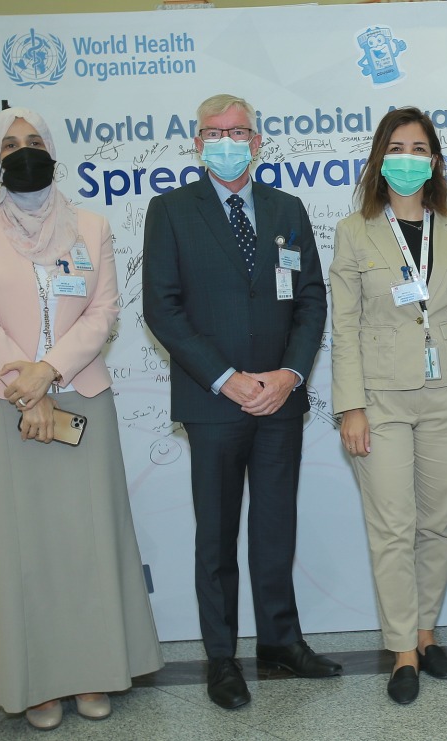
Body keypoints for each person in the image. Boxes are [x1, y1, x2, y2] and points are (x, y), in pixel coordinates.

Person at [0, 106, 162, 730]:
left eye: (34, 141)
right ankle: (33, 681)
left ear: (54, 149)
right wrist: (27, 383)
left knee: (84, 544)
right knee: (20, 548)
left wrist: (51, 372)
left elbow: (103, 311)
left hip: (79, 395)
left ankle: (93, 670)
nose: (23, 151)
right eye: (10, 143)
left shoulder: (89, 226)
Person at [142, 93, 338, 710]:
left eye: (239, 132)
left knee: (276, 528)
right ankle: (221, 658)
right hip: (214, 402)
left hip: (280, 399)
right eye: (214, 132)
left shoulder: (288, 208)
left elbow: (310, 299)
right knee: (217, 535)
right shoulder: (171, 211)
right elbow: (161, 308)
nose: (227, 141)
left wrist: (290, 373)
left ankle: (281, 640)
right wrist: (226, 377)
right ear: (197, 143)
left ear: (258, 142)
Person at [329, 107, 447, 705]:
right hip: (381, 400)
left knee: (437, 525)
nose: (408, 158)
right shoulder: (354, 231)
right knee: (392, 527)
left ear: (436, 161)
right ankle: (401, 652)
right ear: (378, 158)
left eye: (419, 148)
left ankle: (425, 634)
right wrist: (350, 407)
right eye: (396, 147)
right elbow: (343, 326)